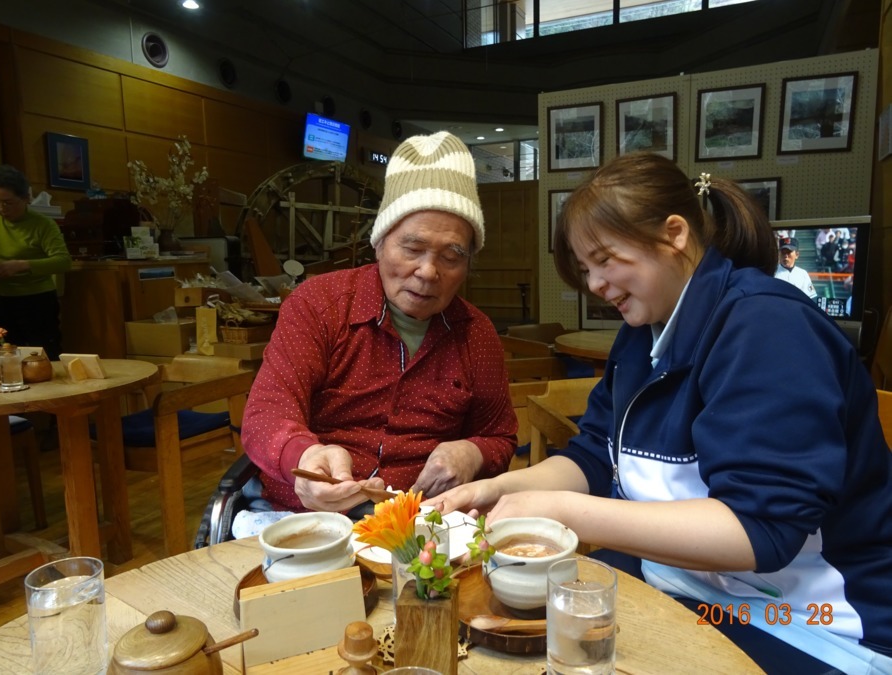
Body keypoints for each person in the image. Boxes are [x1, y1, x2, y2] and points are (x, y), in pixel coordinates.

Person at [427, 153, 892, 674]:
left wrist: (559, 510)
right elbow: (595, 456)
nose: (596, 285)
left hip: (811, 622)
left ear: (674, 234)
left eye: (605, 260)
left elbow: (761, 529)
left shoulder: (768, 326)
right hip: (686, 586)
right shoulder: (640, 335)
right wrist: (501, 489)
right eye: (586, 269)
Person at [241, 131, 518, 520]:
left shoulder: (476, 333)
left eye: (452, 256)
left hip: (420, 525)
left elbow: (499, 436)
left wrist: (472, 452)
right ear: (379, 242)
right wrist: (303, 456)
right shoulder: (320, 305)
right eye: (412, 248)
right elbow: (266, 413)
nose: (427, 271)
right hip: (304, 515)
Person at [0, 164, 71, 360]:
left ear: (26, 198)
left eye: (8, 203)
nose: (1, 208)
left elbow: (63, 261)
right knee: (2, 356)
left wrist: (22, 265)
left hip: (36, 301)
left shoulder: (43, 224)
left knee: (42, 357)